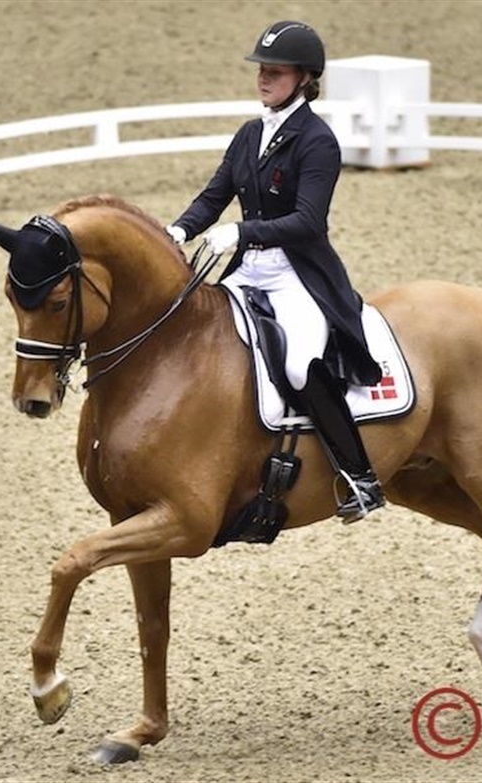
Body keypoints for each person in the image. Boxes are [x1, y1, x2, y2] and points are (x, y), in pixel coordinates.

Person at [166, 20, 385, 523]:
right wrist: (177, 231)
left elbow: (308, 222)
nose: (264, 79)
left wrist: (241, 232)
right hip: (249, 270)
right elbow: (214, 196)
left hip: (295, 274)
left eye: (276, 72)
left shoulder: (318, 141)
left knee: (299, 364)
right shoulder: (250, 134)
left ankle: (360, 478)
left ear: (305, 79)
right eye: (262, 70)